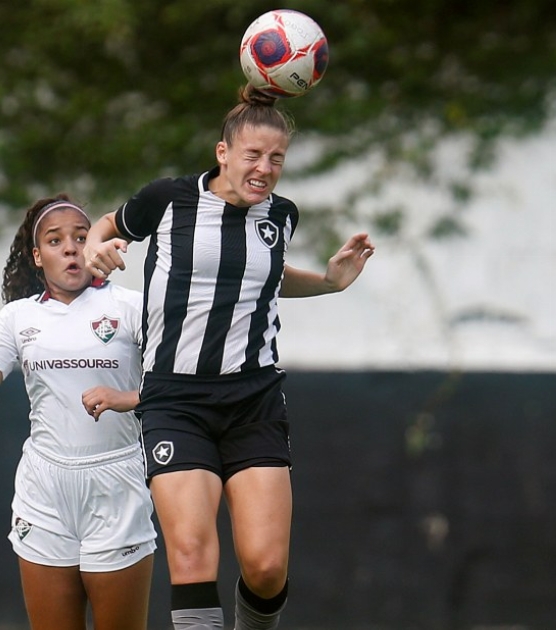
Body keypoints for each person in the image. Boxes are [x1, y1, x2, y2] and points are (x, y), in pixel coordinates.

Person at [82, 84, 375, 630]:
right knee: (193, 557)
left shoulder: (281, 216)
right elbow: (107, 225)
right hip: (174, 400)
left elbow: (263, 280)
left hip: (253, 400)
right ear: (223, 154)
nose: (264, 168)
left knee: (265, 568)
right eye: (252, 155)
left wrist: (332, 283)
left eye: (277, 158)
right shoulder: (168, 199)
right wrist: (98, 244)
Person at [0, 195, 156, 630]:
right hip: (44, 488)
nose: (70, 247)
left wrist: (125, 398)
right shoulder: (16, 318)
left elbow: (182, 387)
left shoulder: (131, 306)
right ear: (38, 256)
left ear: (97, 245)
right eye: (55, 240)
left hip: (117, 482)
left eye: (81, 237)